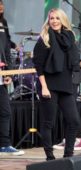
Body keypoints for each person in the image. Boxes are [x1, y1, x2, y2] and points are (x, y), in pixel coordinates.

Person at [33, 8, 81, 160]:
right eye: (51, 18)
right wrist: (44, 87)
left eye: (57, 18)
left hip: (66, 85)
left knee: (74, 121)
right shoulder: (44, 38)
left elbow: (73, 64)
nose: (54, 21)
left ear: (63, 20)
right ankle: (50, 157)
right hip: (49, 85)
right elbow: (38, 67)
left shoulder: (69, 38)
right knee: (48, 122)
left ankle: (68, 156)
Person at [0, 1, 24, 156]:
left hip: (1, 73)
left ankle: (4, 145)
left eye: (2, 4)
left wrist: (8, 72)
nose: (1, 7)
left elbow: (7, 45)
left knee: (5, 111)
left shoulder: (3, 22)